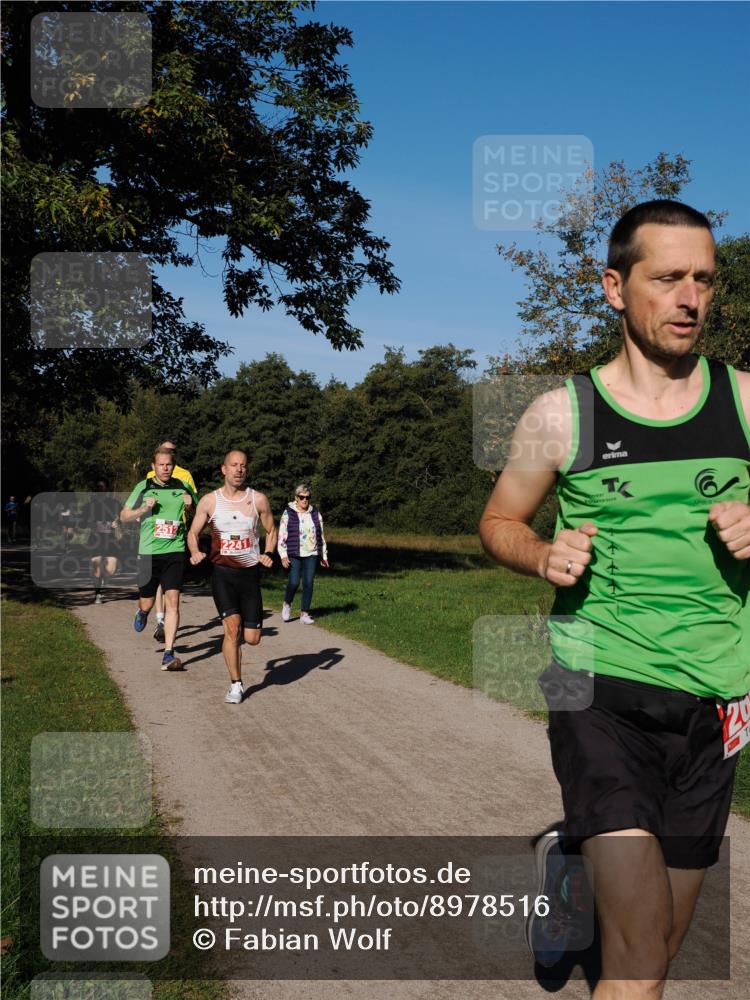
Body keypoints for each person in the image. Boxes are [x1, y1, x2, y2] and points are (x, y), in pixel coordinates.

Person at [478, 200, 749, 997]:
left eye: (703, 279)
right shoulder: (562, 414)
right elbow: (498, 520)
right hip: (593, 682)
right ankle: (587, 865)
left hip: (717, 696)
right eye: (666, 279)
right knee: (637, 967)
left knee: (660, 941)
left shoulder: (743, 402)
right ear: (613, 288)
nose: (689, 299)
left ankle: (569, 870)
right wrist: (540, 553)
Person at [187, 450, 277, 704]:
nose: (239, 470)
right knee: (231, 629)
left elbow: (271, 530)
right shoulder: (209, 501)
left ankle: (237, 656)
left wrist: (269, 552)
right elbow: (193, 533)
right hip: (222, 575)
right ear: (223, 469)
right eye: (234, 465)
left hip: (249, 576)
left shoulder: (257, 500)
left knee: (252, 638)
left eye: (243, 466)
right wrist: (194, 551)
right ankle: (235, 684)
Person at [121, 448, 198, 670]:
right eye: (161, 464)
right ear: (153, 467)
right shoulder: (143, 487)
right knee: (147, 600)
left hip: (175, 550)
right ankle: (143, 612)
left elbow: (198, 516)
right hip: (148, 552)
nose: (165, 468)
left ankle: (168, 652)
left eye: (169, 464)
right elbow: (124, 516)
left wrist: (190, 506)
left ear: (173, 467)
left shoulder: (182, 487)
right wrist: (144, 508)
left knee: (173, 600)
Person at [146, 439, 197, 645]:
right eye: (163, 451)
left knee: (172, 590)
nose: (167, 454)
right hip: (154, 535)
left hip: (176, 534)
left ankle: (166, 636)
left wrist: (188, 505)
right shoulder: (150, 476)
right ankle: (159, 620)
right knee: (157, 583)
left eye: (171, 452)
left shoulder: (185, 476)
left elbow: (193, 503)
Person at [278, 483, 329, 624]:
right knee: (294, 582)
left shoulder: (315, 513)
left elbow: (321, 535)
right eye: (302, 497)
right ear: (296, 498)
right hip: (294, 553)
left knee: (308, 583)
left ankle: (304, 614)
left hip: (311, 553)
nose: (305, 500)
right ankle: (287, 604)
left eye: (307, 497)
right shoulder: (289, 512)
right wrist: (283, 555)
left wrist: (323, 555)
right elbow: (282, 534)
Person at [81, 479, 121, 604]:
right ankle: (98, 594)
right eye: (99, 488)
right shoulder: (89, 506)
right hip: (95, 539)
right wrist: (89, 524)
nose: (101, 490)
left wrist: (118, 522)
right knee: (96, 565)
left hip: (110, 539)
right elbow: (82, 523)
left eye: (103, 488)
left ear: (107, 490)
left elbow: (125, 516)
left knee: (111, 569)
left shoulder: (114, 503)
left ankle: (103, 580)